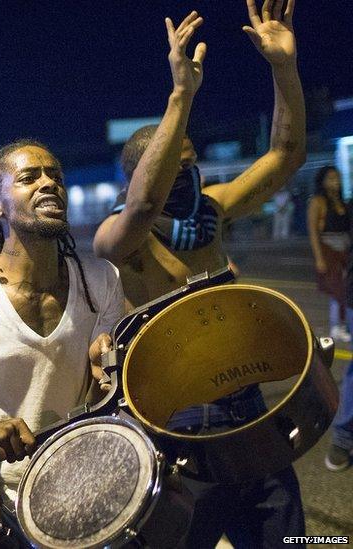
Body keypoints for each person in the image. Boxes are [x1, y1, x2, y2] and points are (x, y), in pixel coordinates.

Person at [93, 4, 307, 547]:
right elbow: (143, 207)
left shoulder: (212, 210)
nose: (188, 174)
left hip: (249, 408)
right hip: (175, 422)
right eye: (174, 164)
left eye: (192, 162)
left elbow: (285, 153)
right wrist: (181, 95)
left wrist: (284, 68)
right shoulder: (122, 238)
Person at [0, 138, 125, 502]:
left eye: (55, 176)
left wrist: (104, 373)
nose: (49, 184)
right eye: (29, 178)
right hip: (2, 494)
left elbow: (102, 398)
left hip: (83, 473)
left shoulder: (101, 279)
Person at [308, 166, 351, 342]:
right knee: (338, 290)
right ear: (322, 181)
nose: (336, 181)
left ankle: (346, 324)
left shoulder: (342, 202)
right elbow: (313, 232)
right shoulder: (318, 202)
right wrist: (319, 258)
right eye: (331, 178)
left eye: (338, 177)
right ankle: (337, 326)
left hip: (345, 251)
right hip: (328, 249)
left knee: (348, 289)